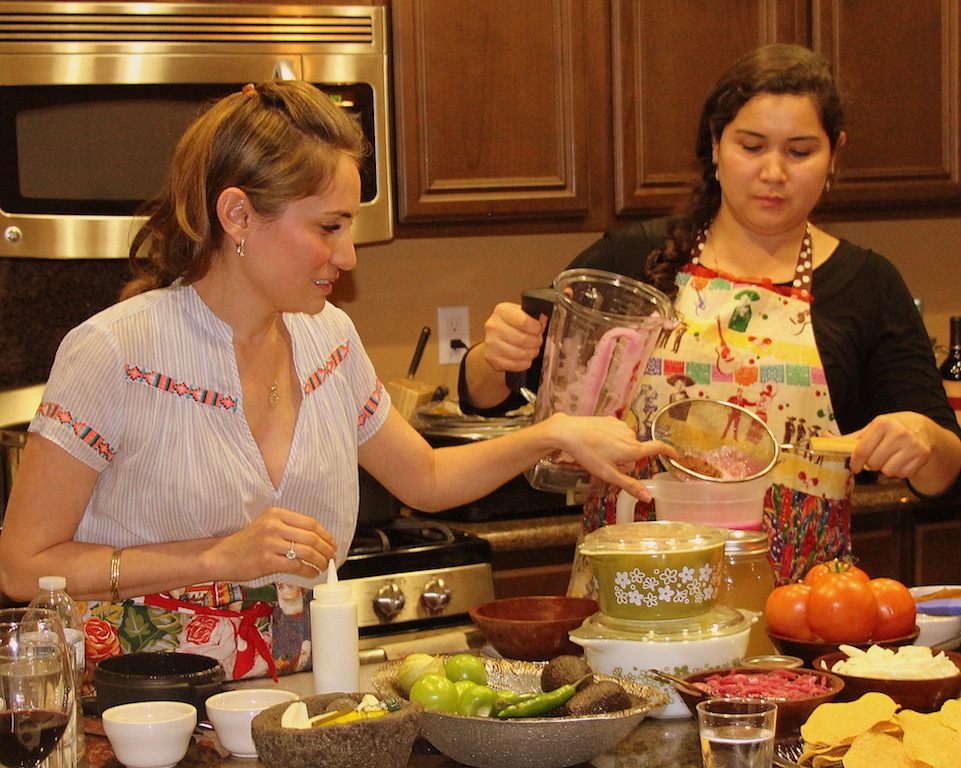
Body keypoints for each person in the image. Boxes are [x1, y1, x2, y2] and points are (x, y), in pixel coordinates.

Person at [0, 80, 672, 681]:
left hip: (292, 697)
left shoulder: (328, 339)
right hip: (140, 710)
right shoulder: (115, 352)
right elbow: (23, 565)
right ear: (237, 215)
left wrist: (547, 434)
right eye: (329, 226)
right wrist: (211, 559)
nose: (346, 256)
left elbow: (427, 479)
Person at [459, 44, 961, 590]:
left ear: (835, 155)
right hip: (630, 602)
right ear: (716, 147)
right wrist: (496, 355)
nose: (773, 172)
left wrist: (924, 440)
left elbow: (947, 476)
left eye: (800, 151)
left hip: (799, 614)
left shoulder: (867, 287)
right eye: (751, 146)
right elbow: (488, 392)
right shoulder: (633, 264)